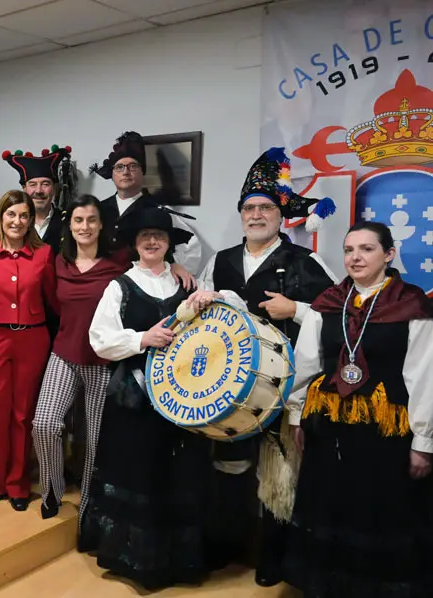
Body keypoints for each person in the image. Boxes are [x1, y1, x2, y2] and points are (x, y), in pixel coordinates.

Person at [81, 205, 242, 589]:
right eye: (144, 236)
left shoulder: (187, 283)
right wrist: (142, 339)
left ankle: (180, 560)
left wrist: (209, 299)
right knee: (141, 471)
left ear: (170, 243)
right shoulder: (119, 286)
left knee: (180, 474)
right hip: (135, 400)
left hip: (184, 399)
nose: (152, 241)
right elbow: (99, 339)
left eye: (159, 236)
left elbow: (226, 311)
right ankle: (139, 562)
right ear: (135, 245)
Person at [197, 147, 339, 584]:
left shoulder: (305, 261)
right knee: (228, 467)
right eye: (250, 208)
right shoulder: (219, 261)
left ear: (281, 217)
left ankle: (273, 560)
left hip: (284, 387)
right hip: (229, 386)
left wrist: (294, 308)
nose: (256, 215)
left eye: (265, 208)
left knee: (278, 475)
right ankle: (227, 547)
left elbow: (338, 316)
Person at [283, 221, 433, 598]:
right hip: (329, 427)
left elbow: (424, 376)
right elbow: (307, 364)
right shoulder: (328, 303)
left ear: (389, 254)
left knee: (377, 508)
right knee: (329, 504)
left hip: (385, 432)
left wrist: (424, 441)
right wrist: (298, 415)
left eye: (367, 249)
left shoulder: (411, 304)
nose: (356, 257)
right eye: (350, 250)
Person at [32, 194, 124, 520]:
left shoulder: (120, 263)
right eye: (78, 220)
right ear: (68, 226)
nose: (84, 227)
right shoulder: (58, 262)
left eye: (91, 220)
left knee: (96, 439)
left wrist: (176, 264)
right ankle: (52, 492)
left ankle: (89, 505)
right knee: (43, 424)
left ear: (101, 225)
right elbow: (53, 305)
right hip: (65, 354)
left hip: (103, 361)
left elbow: (153, 264)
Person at [0, 190, 57, 511]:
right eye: (11, 215)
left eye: (23, 215)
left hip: (32, 340)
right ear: (0, 218)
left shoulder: (44, 254)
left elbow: (54, 300)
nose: (17, 221)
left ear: (31, 219)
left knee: (22, 414)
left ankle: (18, 485)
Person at [90, 131, 201, 274]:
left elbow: (190, 247)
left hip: (142, 287)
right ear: (112, 174)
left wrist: (175, 270)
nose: (126, 172)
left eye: (133, 166)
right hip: (101, 282)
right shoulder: (98, 210)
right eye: (119, 167)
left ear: (142, 171)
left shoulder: (158, 211)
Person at [1, 145, 74, 253]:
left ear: (54, 188)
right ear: (24, 189)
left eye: (45, 184)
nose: (39, 191)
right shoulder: (12, 224)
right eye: (33, 184)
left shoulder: (69, 222)